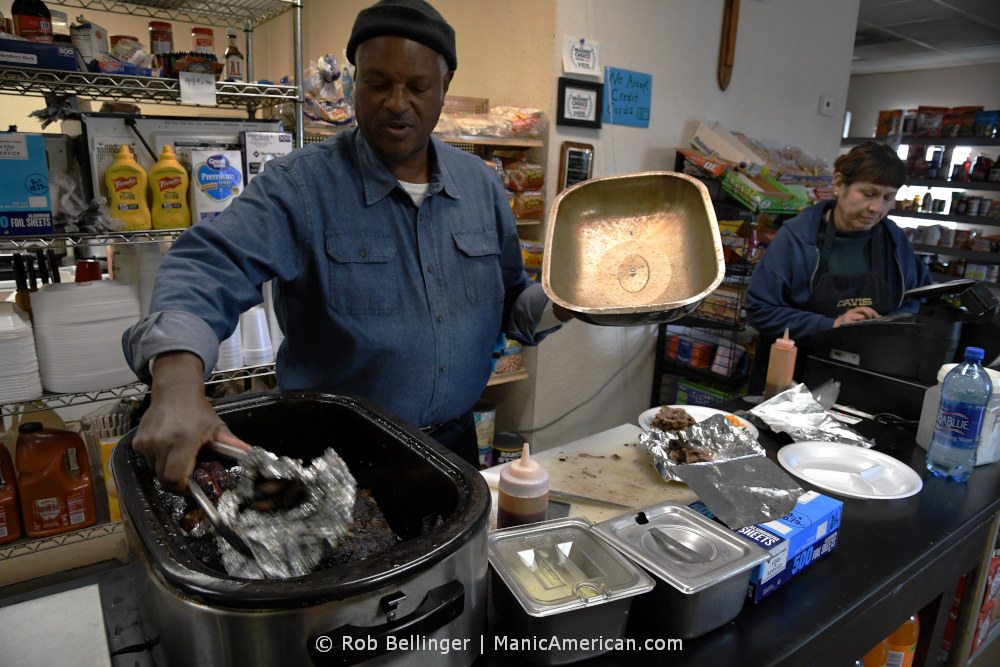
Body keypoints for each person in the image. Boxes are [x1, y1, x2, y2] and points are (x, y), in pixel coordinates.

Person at [122, 0, 567, 492]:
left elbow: (513, 307)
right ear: (355, 81)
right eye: (378, 83)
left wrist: (573, 298)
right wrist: (178, 386)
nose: (397, 103)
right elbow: (206, 267)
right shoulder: (301, 186)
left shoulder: (480, 187)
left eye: (418, 87)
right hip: (336, 463)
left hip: (454, 450)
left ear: (445, 87)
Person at [744, 140, 933, 392]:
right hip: (792, 383)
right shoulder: (798, 238)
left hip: (866, 379)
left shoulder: (893, 239)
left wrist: (887, 324)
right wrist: (833, 326)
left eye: (888, 197)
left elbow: (920, 298)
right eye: (868, 194)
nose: (877, 207)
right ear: (839, 184)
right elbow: (760, 309)